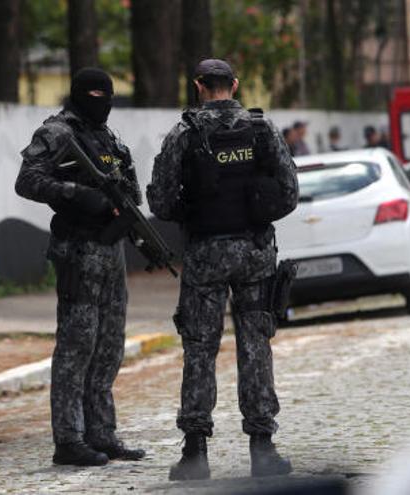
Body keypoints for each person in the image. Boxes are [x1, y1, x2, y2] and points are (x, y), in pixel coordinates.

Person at [147, 59, 298, 480]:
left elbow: (159, 202)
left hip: (204, 256)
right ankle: (263, 449)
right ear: (234, 85)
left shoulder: (183, 133)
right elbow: (289, 192)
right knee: (255, 346)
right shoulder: (262, 130)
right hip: (254, 252)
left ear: (199, 87)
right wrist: (256, 213)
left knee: (199, 350)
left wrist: (194, 215)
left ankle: (195, 454)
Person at [15, 67, 145, 467]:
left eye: (106, 94)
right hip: (77, 250)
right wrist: (75, 193)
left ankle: (101, 433)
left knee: (109, 345)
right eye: (92, 94)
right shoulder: (57, 133)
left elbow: (132, 189)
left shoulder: (108, 138)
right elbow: (27, 181)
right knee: (76, 346)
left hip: (110, 252)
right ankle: (68, 439)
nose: (100, 101)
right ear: (76, 95)